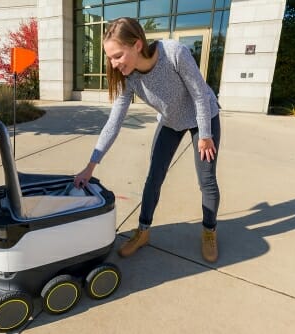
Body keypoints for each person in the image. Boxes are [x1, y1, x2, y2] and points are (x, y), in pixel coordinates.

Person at [73, 17, 221, 263]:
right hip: (170, 122)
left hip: (203, 116)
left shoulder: (175, 53)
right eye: (110, 57)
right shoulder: (128, 78)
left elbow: (199, 95)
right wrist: (91, 166)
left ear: (137, 45)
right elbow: (114, 122)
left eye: (118, 55)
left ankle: (209, 231)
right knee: (154, 178)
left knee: (206, 181)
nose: (113, 63)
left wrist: (205, 135)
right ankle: (143, 232)